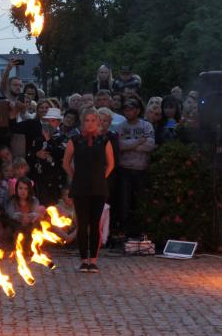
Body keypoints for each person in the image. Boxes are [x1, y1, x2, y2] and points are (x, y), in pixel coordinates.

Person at [63, 108, 114, 273]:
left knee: (95, 224)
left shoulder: (105, 140)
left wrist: (101, 177)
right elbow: (66, 163)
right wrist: (75, 176)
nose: (90, 123)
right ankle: (84, 259)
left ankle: (93, 260)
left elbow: (111, 164)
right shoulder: (75, 140)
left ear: (98, 122)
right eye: (87, 120)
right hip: (80, 187)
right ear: (82, 122)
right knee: (82, 224)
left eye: (93, 120)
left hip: (98, 187)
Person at [117, 99, 155, 239]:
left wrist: (130, 145)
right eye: (126, 109)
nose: (128, 112)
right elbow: (120, 145)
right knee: (125, 202)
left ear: (138, 110)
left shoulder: (146, 126)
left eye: (131, 109)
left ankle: (140, 232)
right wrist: (138, 141)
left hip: (141, 169)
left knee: (140, 201)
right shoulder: (121, 126)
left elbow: (150, 145)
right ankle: (126, 232)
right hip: (124, 169)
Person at [28, 108, 67, 206]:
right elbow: (29, 155)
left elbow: (61, 154)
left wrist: (49, 140)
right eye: (47, 120)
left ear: (59, 122)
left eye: (53, 120)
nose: (49, 123)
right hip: (40, 179)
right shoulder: (37, 138)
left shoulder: (63, 138)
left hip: (56, 179)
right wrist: (36, 154)